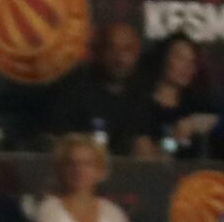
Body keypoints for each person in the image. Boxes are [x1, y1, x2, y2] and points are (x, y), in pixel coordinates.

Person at [42, 23, 156, 152]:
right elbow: (54, 140)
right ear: (98, 51)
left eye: (127, 49)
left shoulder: (143, 91)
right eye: (112, 49)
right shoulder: (73, 88)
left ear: (137, 52)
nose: (120, 58)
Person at [137, 34, 217, 159]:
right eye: (180, 58)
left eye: (192, 61)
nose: (187, 67)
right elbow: (145, 162)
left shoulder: (196, 106)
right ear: (163, 59)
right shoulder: (142, 107)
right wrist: (174, 139)